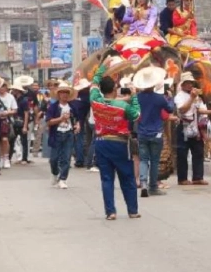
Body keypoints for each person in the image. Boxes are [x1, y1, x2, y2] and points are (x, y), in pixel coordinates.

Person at [88, 60, 141, 219]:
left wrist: (102, 68)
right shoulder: (122, 106)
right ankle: (132, 210)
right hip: (120, 143)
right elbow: (137, 114)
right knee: (128, 178)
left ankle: (110, 212)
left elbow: (94, 84)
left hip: (101, 143)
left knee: (106, 179)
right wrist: (134, 97)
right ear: (113, 89)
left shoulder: (96, 101)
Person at [133, 67, 174, 198]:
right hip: (156, 133)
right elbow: (170, 109)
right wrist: (170, 98)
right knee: (155, 161)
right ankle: (153, 187)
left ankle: (143, 183)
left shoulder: (137, 98)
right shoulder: (159, 98)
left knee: (144, 159)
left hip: (142, 133)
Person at [173, 74, 210, 186]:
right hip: (183, 125)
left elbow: (200, 109)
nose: (190, 85)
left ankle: (198, 177)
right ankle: (182, 178)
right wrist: (192, 98)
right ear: (183, 84)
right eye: (187, 83)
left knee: (198, 151)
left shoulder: (196, 96)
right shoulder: (179, 96)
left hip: (195, 125)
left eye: (191, 83)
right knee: (182, 153)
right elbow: (183, 109)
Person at [45, 81, 77, 189]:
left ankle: (63, 179)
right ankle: (55, 173)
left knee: (66, 158)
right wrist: (61, 119)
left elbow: (77, 119)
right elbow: (49, 121)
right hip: (56, 134)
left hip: (68, 134)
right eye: (62, 92)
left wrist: (78, 125)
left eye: (66, 92)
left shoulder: (72, 107)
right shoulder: (53, 107)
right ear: (58, 94)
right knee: (53, 159)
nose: (65, 94)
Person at [72, 78, 93, 171]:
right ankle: (81, 160)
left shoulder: (76, 97)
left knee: (76, 140)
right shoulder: (87, 97)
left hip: (75, 119)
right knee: (82, 140)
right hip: (83, 120)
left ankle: (79, 159)